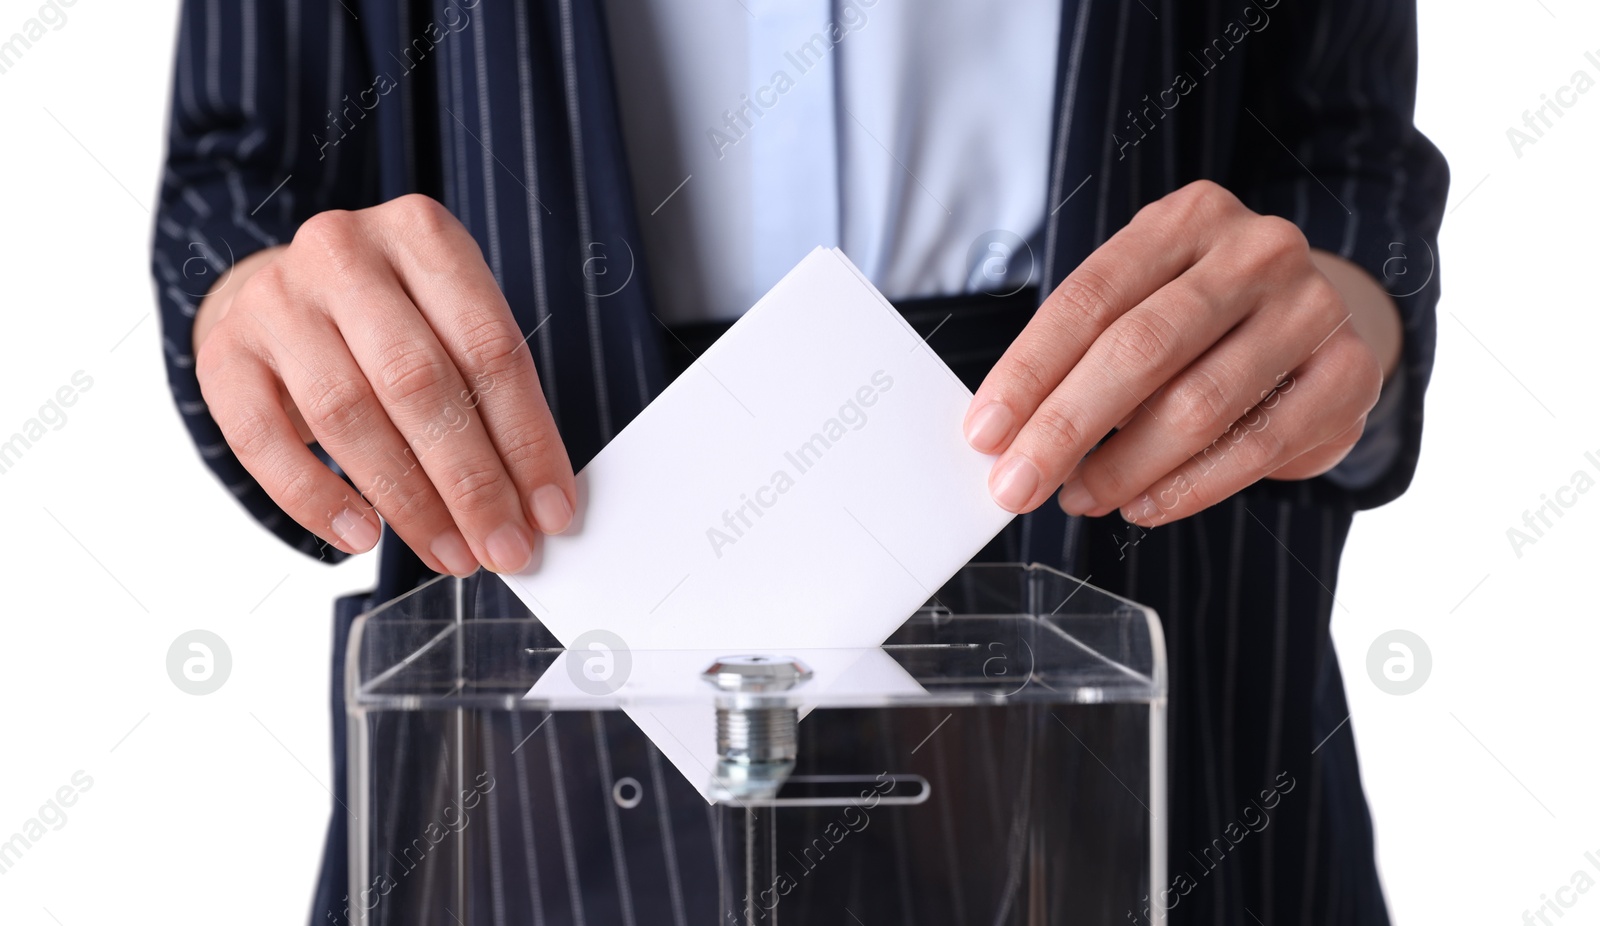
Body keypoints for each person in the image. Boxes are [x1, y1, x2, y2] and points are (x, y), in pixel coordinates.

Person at [152, 1, 1447, 923]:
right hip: (543, 680)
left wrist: (1350, 317)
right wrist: (252, 311)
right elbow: (235, 176)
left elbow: (1347, 155)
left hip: (1156, 660)